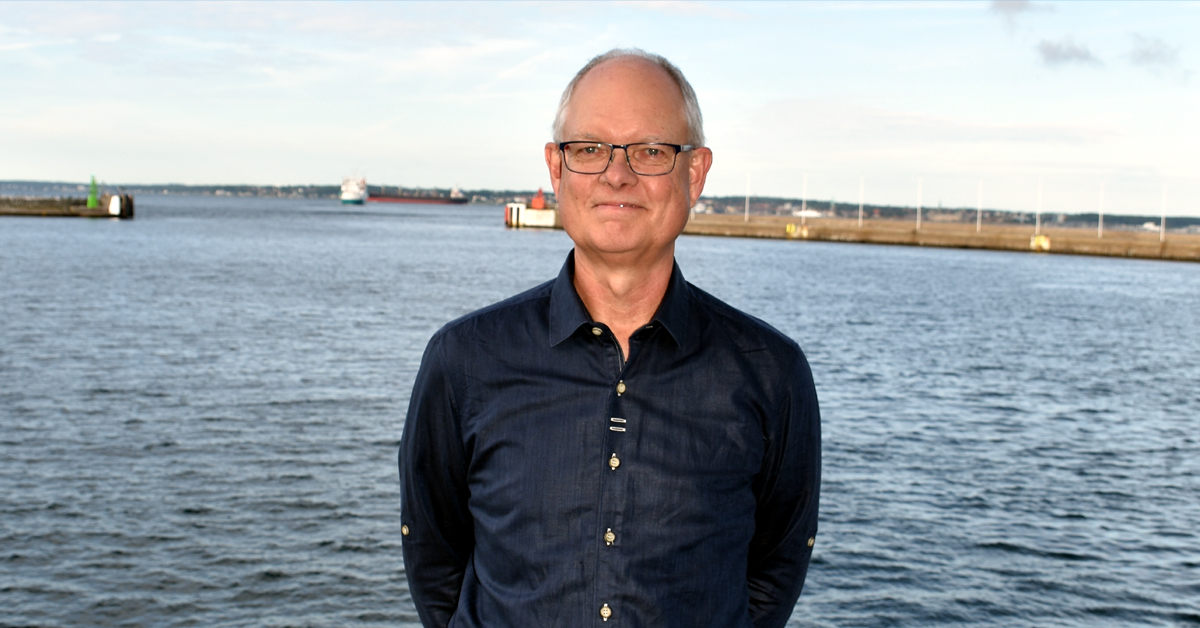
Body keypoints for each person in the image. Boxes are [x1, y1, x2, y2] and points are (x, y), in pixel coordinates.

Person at [399, 48, 820, 628]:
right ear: (556, 168)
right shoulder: (465, 360)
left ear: (695, 173)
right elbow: (434, 555)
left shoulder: (770, 372)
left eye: (651, 151)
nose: (616, 175)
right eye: (589, 149)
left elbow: (776, 566)